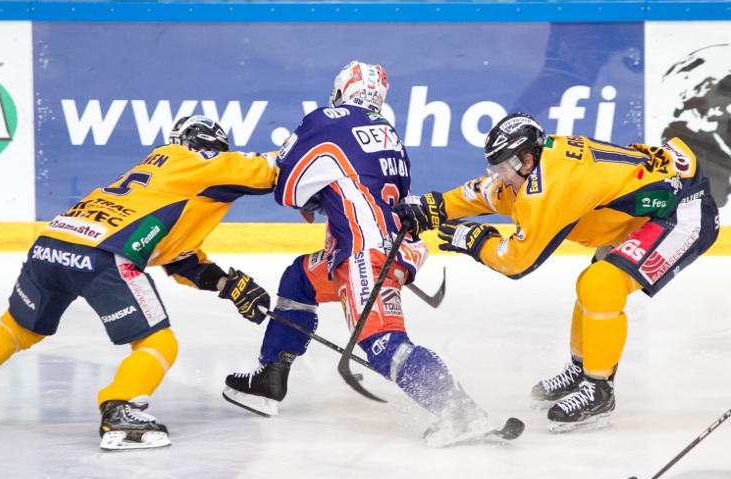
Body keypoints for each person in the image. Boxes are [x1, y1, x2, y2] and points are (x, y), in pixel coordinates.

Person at [221, 61, 523, 447]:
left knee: (383, 345)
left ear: (340, 91)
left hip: (366, 255)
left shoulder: (326, 120)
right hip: (376, 248)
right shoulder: (389, 134)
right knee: (298, 278)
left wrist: (308, 193)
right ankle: (269, 378)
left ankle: (458, 410)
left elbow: (287, 190)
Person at [0, 116, 276, 450]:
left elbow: (180, 258)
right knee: (159, 342)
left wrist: (227, 285)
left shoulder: (164, 180)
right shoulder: (198, 162)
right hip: (104, 253)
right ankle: (119, 411)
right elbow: (272, 167)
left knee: (18, 328)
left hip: (53, 242)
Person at [396, 113, 720, 433]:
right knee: (591, 286)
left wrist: (476, 240)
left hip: (684, 210)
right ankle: (583, 370)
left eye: (503, 167)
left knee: (600, 284)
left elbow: (516, 262)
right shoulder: (540, 164)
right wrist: (432, 207)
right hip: (648, 208)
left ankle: (599, 391)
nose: (499, 175)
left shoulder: (552, 186)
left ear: (525, 160)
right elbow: (492, 192)